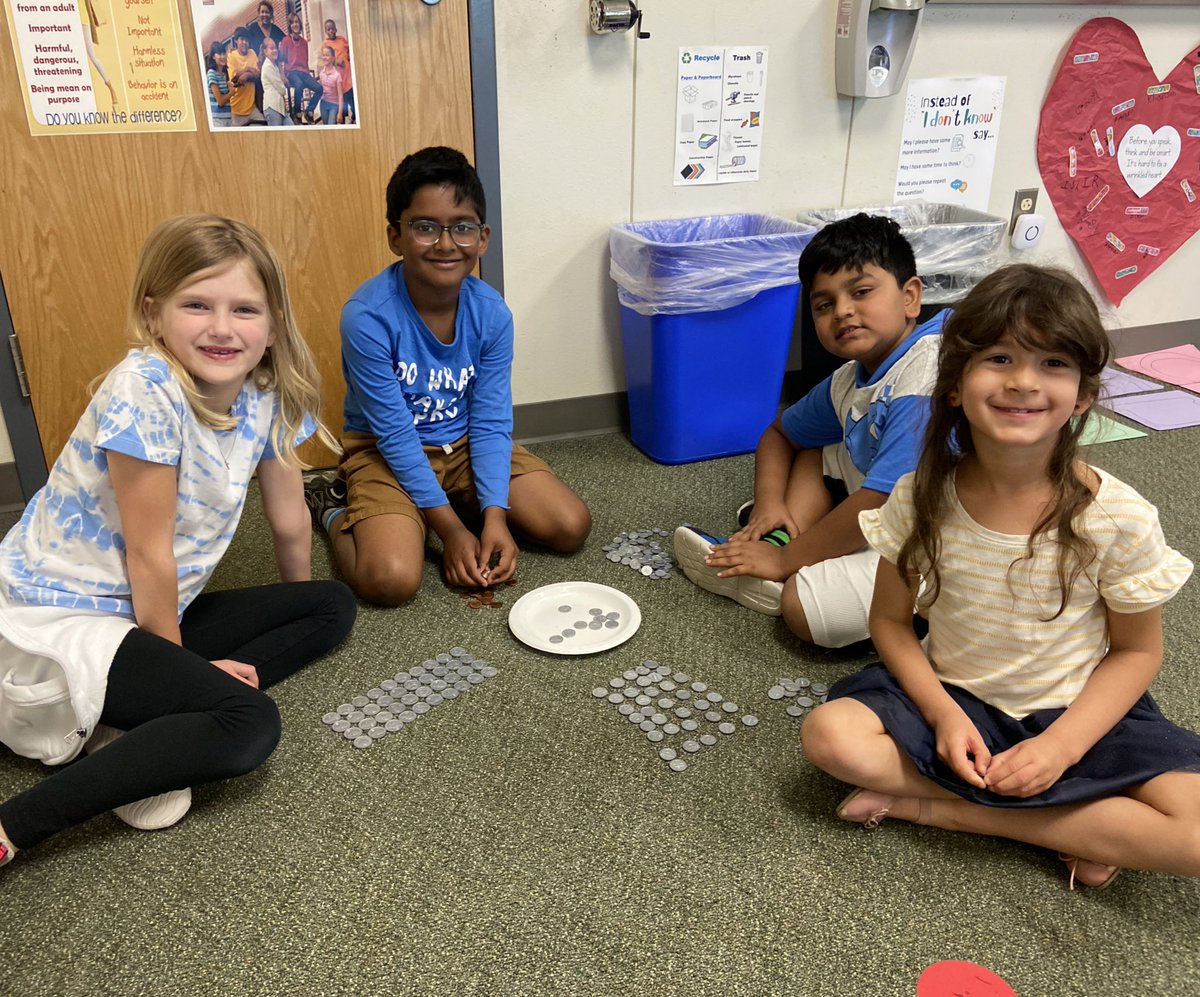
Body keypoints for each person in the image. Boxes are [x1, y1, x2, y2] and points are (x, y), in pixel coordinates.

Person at [801, 264, 1200, 890]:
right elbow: (889, 623)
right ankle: (1075, 826)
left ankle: (943, 810)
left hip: (1074, 713)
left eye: (1053, 364)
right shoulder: (918, 497)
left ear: (1085, 395)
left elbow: (1136, 653)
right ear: (955, 384)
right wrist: (942, 716)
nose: (1022, 382)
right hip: (956, 699)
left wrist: (1060, 749)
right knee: (830, 738)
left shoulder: (1118, 517)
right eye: (1000, 358)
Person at [0, 215, 357, 870]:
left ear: (272, 323)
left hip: (143, 606)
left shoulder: (268, 386)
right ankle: (14, 827)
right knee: (250, 723)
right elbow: (149, 553)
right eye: (197, 304)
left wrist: (289, 598)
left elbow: (288, 517)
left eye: (245, 309)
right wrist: (184, 674)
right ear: (153, 311)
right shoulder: (145, 391)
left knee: (328, 605)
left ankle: (140, 721)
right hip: (61, 617)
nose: (223, 328)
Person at [305, 146, 591, 605]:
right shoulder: (367, 316)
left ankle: (458, 500)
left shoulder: (492, 314)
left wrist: (495, 517)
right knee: (390, 581)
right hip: (384, 452)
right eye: (424, 227)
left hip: (464, 448)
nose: (444, 243)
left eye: (461, 227)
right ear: (395, 237)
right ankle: (332, 509)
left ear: (483, 238)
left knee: (569, 525)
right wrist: (453, 532)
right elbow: (394, 434)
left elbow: (492, 421)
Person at [674, 214, 947, 648]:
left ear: (911, 297)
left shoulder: (927, 371)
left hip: (938, 548)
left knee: (802, 611)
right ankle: (784, 537)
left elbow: (882, 500)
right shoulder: (848, 379)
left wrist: (785, 562)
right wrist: (768, 506)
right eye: (823, 304)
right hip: (888, 514)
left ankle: (921, 615)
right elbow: (780, 435)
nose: (842, 311)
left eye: (861, 292)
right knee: (816, 446)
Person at [280, 13, 321, 125]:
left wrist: (308, 76)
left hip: (303, 72)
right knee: (299, 84)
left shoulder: (304, 42)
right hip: (291, 72)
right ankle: (296, 113)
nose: (295, 24)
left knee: (319, 88)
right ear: (289, 25)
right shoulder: (286, 40)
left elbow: (305, 61)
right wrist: (283, 76)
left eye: (297, 22)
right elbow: (281, 60)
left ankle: (309, 111)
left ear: (300, 24)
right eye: (292, 22)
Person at [227, 28, 266, 126]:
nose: (245, 42)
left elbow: (257, 74)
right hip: (237, 110)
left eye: (247, 40)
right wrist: (248, 68)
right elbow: (234, 78)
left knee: (264, 128)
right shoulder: (231, 55)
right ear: (236, 40)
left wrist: (246, 74)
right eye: (242, 39)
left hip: (252, 109)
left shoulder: (252, 53)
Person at [323, 19, 354, 123]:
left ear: (336, 29)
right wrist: (336, 61)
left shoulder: (342, 39)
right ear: (325, 31)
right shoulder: (326, 44)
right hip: (338, 84)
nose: (331, 31)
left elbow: (349, 51)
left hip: (349, 80)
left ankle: (354, 118)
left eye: (332, 28)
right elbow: (325, 60)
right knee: (342, 112)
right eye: (328, 29)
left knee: (354, 106)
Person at [260, 37, 291, 127]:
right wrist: (283, 84)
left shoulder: (275, 66)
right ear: (265, 51)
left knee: (293, 132)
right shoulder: (267, 66)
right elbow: (282, 89)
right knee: (277, 139)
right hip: (272, 108)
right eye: (271, 48)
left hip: (280, 108)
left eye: (275, 48)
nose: (275, 50)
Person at [205, 41, 232, 128]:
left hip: (228, 118)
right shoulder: (211, 73)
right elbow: (220, 101)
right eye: (219, 54)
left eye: (224, 53)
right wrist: (231, 92)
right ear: (213, 56)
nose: (223, 56)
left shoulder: (224, 74)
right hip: (217, 120)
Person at [315, 44, 344, 126]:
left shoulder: (337, 75)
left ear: (333, 58)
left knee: (331, 126)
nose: (324, 57)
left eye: (327, 55)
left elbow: (340, 96)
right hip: (323, 104)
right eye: (323, 55)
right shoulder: (321, 73)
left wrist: (340, 113)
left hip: (334, 105)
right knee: (326, 127)